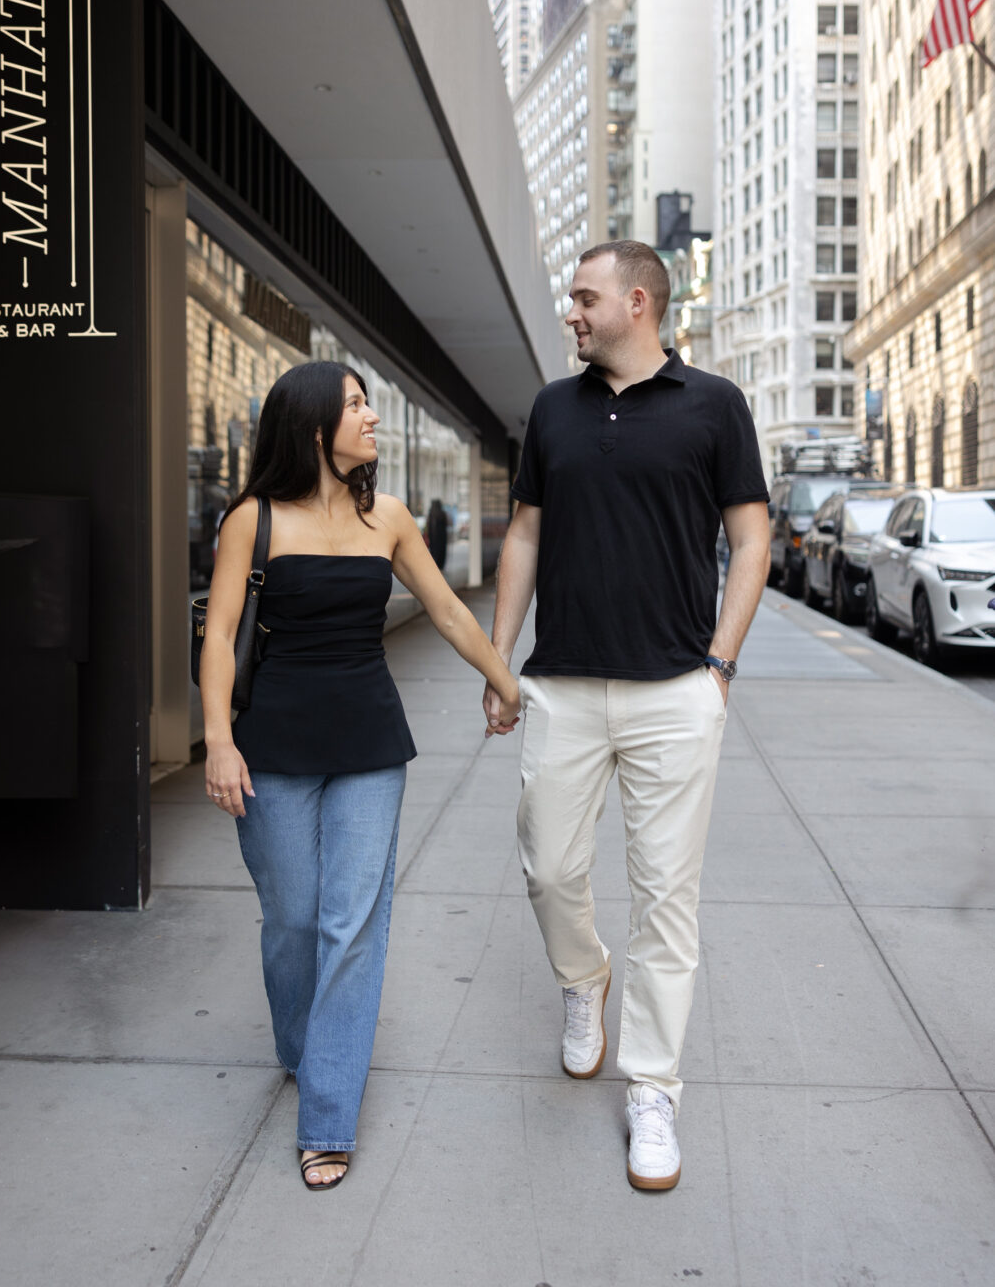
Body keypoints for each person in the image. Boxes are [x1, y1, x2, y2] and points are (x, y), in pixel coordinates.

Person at [482, 241, 769, 1191]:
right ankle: (582, 980)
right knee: (549, 865)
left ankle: (654, 1088)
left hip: (676, 691)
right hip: (562, 683)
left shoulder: (715, 405)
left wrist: (720, 665)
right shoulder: (552, 410)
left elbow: (751, 534)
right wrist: (499, 657)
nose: (572, 312)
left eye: (584, 297)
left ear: (636, 303)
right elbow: (524, 530)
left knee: (666, 902)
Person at [200, 361, 520, 1190]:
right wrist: (216, 741)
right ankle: (301, 1043)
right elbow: (219, 633)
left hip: (371, 743)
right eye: (355, 405)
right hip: (270, 743)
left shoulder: (390, 518)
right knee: (294, 920)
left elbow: (447, 608)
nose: (372, 417)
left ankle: (328, 1115)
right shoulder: (253, 521)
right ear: (313, 427)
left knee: (352, 923)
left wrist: (501, 674)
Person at [425, 498, 449, 569]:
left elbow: (428, 526)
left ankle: (435, 566)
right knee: (441, 552)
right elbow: (446, 524)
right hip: (442, 537)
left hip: (433, 538)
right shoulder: (442, 514)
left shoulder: (431, 514)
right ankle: (440, 566)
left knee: (434, 552)